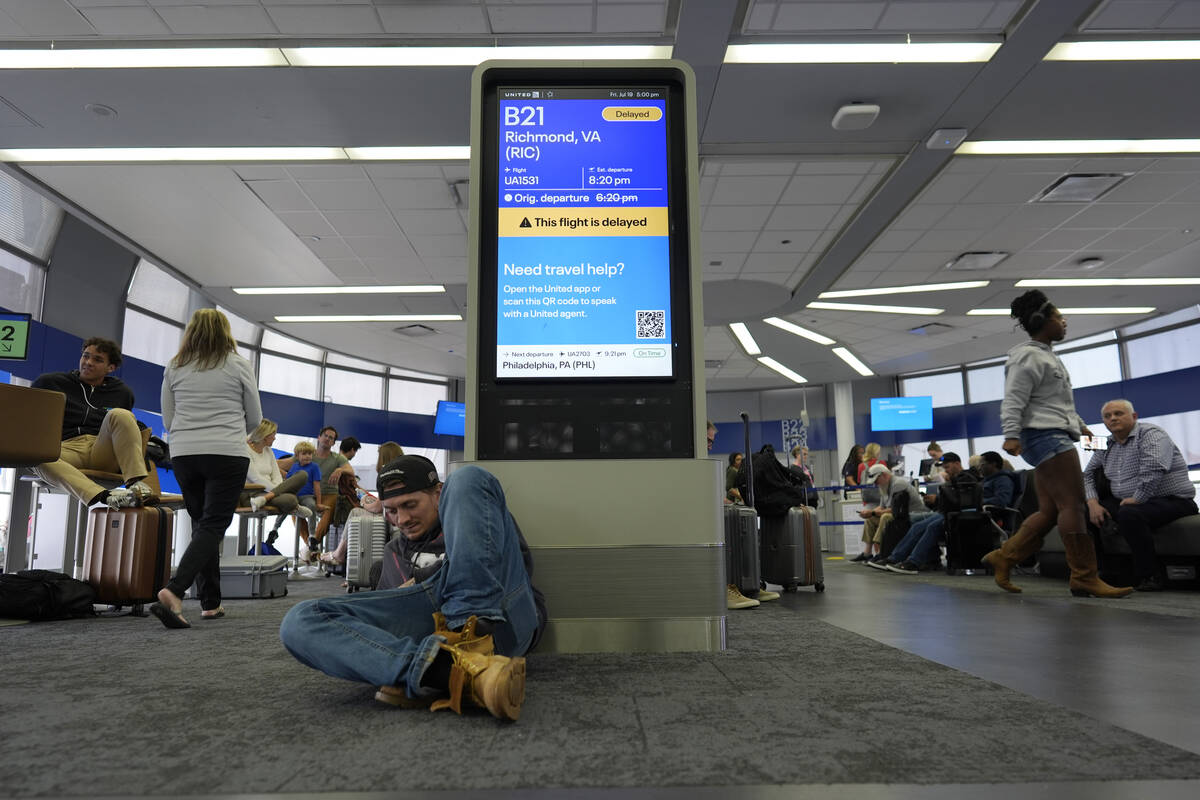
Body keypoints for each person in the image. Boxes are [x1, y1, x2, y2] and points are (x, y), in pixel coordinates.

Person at [279, 456, 547, 721]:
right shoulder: (392, 553)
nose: (402, 519)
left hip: (501, 619)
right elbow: (389, 627)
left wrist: (422, 578)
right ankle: (454, 674)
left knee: (468, 477)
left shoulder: (474, 513)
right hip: (436, 635)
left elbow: (518, 568)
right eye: (392, 511)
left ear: (438, 494)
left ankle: (472, 635)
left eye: (410, 504)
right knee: (300, 620)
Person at [981, 290, 1131, 598]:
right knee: (1073, 505)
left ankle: (1003, 557)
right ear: (1043, 321)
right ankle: (1084, 576)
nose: (1064, 322)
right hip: (1045, 435)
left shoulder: (1047, 355)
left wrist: (1083, 428)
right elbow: (1013, 398)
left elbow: (1058, 403)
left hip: (1052, 432)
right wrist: (1011, 434)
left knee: (1050, 510)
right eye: (1059, 317)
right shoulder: (1028, 356)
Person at [151, 309, 261, 628]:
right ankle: (173, 591)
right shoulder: (238, 364)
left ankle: (210, 603)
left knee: (203, 525)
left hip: (184, 453)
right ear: (226, 332)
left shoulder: (175, 365)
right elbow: (255, 418)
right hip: (226, 452)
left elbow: (168, 419)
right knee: (213, 525)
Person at [1084, 399, 1198, 592]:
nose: (1113, 419)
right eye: (1107, 416)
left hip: (1173, 500)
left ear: (1134, 417)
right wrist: (1093, 502)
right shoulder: (1103, 443)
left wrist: (1138, 498)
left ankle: (1149, 575)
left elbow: (1154, 467)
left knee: (1130, 513)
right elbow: (1087, 474)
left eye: (1119, 413)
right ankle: (1106, 573)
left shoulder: (1152, 434)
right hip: (1128, 501)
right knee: (1084, 513)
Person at [31, 337, 153, 509]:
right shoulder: (50, 383)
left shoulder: (122, 393)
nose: (88, 362)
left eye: (97, 359)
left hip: (102, 448)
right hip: (66, 448)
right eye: (85, 356)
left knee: (121, 414)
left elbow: (124, 428)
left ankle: (136, 484)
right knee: (37, 457)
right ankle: (107, 497)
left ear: (111, 368)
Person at [875, 452, 1017, 574]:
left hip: (978, 516)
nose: (980, 467)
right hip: (962, 512)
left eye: (983, 464)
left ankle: (913, 561)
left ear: (994, 464)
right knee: (918, 525)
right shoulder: (985, 481)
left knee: (931, 526)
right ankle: (896, 557)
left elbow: (1002, 501)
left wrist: (976, 501)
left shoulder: (1002, 480)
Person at [319, 440, 405, 568]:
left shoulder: (385, 475)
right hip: (403, 515)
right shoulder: (405, 472)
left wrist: (364, 503)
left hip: (393, 518)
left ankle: (340, 554)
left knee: (355, 512)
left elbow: (378, 507)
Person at [243, 419, 313, 536]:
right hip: (252, 493)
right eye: (273, 435)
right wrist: (279, 491)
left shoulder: (268, 451)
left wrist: (276, 490)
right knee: (290, 500)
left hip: (268, 494)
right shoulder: (245, 450)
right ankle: (295, 507)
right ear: (264, 435)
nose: (275, 438)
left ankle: (265, 499)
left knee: (303, 475)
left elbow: (276, 475)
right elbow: (255, 478)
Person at [859, 462, 928, 564]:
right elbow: (882, 507)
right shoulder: (884, 486)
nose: (875, 483)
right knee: (870, 519)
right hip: (900, 514)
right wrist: (870, 513)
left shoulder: (898, 484)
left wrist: (873, 512)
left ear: (884, 475)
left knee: (885, 517)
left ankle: (881, 553)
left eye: (876, 480)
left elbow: (895, 509)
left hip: (912, 514)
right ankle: (867, 552)